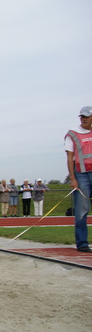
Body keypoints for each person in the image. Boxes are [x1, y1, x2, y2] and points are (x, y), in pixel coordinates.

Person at [64, 106, 92, 252]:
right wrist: (73, 178)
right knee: (82, 210)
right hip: (81, 174)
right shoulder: (73, 134)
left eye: (87, 116)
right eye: (82, 116)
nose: (84, 119)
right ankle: (82, 243)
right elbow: (69, 157)